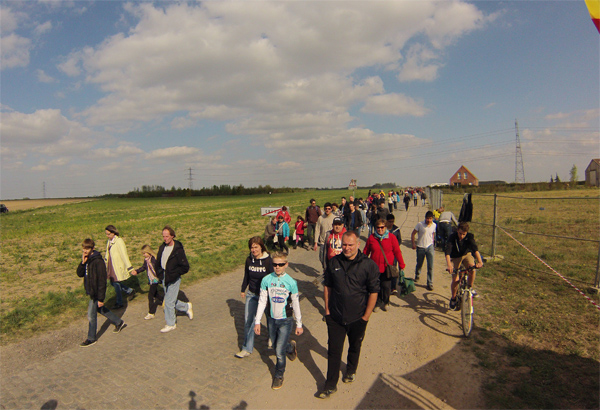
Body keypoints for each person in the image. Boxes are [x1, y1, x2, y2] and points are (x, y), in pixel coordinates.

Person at [318, 232, 379, 399]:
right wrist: (327, 311)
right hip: (335, 316)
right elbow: (327, 287)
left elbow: (374, 291)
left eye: (350, 245)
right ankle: (330, 385)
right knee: (334, 351)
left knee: (355, 345)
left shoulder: (368, 265)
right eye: (344, 244)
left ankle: (351, 370)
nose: (347, 248)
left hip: (358, 317)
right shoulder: (334, 262)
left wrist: (366, 317)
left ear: (358, 244)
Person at [254, 251, 303, 390]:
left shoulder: (291, 282)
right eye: (275, 264)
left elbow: (296, 303)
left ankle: (279, 374)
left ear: (286, 264)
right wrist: (257, 321)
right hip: (271, 319)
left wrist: (299, 324)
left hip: (285, 320)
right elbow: (262, 301)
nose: (277, 267)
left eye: (281, 264)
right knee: (275, 346)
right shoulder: (266, 280)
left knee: (279, 352)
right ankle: (290, 347)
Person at [77, 239, 126, 347]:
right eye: (84, 248)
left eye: (87, 249)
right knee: (100, 309)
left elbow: (102, 281)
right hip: (91, 291)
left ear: (92, 248)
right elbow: (79, 274)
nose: (85, 251)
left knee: (91, 315)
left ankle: (91, 338)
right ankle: (118, 322)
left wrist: (100, 299)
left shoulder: (98, 262)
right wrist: (82, 263)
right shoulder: (87, 259)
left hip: (96, 293)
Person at [236, 237, 273, 358]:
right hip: (251, 294)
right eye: (252, 247)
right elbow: (246, 275)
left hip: (265, 295)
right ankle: (246, 348)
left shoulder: (268, 261)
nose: (254, 250)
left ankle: (272, 338)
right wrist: (243, 289)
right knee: (248, 321)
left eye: (256, 247)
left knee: (270, 319)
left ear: (261, 247)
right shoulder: (249, 260)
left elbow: (272, 278)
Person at [132, 245, 191, 320]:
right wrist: (137, 271)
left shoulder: (154, 259)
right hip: (151, 279)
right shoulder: (146, 260)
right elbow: (144, 267)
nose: (143, 255)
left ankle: (151, 313)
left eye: (144, 253)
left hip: (155, 279)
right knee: (155, 294)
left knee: (150, 296)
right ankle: (167, 302)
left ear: (149, 252)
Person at [156, 226, 193, 333]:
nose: (165, 238)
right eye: (163, 236)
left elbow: (185, 267)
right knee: (170, 300)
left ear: (172, 236)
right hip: (164, 277)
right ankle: (186, 306)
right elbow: (158, 262)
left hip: (174, 278)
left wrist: (175, 274)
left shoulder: (178, 250)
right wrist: (159, 273)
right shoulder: (162, 247)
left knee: (168, 302)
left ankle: (171, 324)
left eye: (167, 236)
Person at [363, 220, 405, 311]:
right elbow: (366, 251)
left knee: (386, 286)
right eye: (378, 227)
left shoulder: (392, 237)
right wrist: (362, 263)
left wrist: (401, 264)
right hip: (374, 268)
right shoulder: (372, 238)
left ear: (385, 227)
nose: (380, 229)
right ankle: (377, 303)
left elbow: (397, 251)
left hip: (387, 268)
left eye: (382, 227)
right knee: (376, 286)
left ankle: (386, 302)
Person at [445, 222, 483, 310]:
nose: (461, 236)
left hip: (466, 254)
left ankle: (470, 288)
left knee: (472, 268)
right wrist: (449, 265)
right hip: (455, 256)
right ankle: (453, 298)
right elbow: (448, 252)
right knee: (456, 279)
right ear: (457, 230)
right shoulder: (452, 237)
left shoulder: (469, 237)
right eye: (460, 233)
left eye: (463, 234)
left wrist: (480, 262)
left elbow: (475, 249)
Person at [104, 225, 135, 309]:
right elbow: (107, 253)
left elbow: (124, 255)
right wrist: (105, 263)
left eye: (108, 234)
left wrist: (130, 268)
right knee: (113, 282)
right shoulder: (109, 241)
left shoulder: (119, 241)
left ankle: (119, 302)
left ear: (113, 233)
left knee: (115, 283)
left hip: (117, 266)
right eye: (106, 234)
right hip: (111, 265)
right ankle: (129, 290)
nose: (107, 236)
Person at [411, 211, 437, 291]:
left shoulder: (434, 225)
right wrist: (413, 243)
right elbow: (413, 233)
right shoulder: (420, 224)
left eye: (430, 218)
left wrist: (433, 242)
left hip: (429, 247)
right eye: (427, 218)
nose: (429, 220)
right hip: (420, 247)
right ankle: (417, 274)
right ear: (425, 218)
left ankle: (430, 283)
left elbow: (433, 234)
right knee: (419, 263)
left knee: (430, 266)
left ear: (432, 219)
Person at [314, 202, 335, 270]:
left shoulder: (334, 218)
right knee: (321, 258)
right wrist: (315, 242)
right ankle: (325, 269)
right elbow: (317, 230)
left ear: (331, 209)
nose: (327, 210)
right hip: (323, 242)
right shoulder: (320, 218)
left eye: (329, 209)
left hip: (331, 242)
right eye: (326, 209)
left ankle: (328, 270)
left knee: (331, 258)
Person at [385, 214, 402, 294]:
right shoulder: (383, 229)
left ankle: (393, 287)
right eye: (390, 221)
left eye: (392, 221)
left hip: (394, 253)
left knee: (393, 269)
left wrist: (395, 246)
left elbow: (400, 240)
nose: (391, 223)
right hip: (385, 253)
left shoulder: (396, 230)